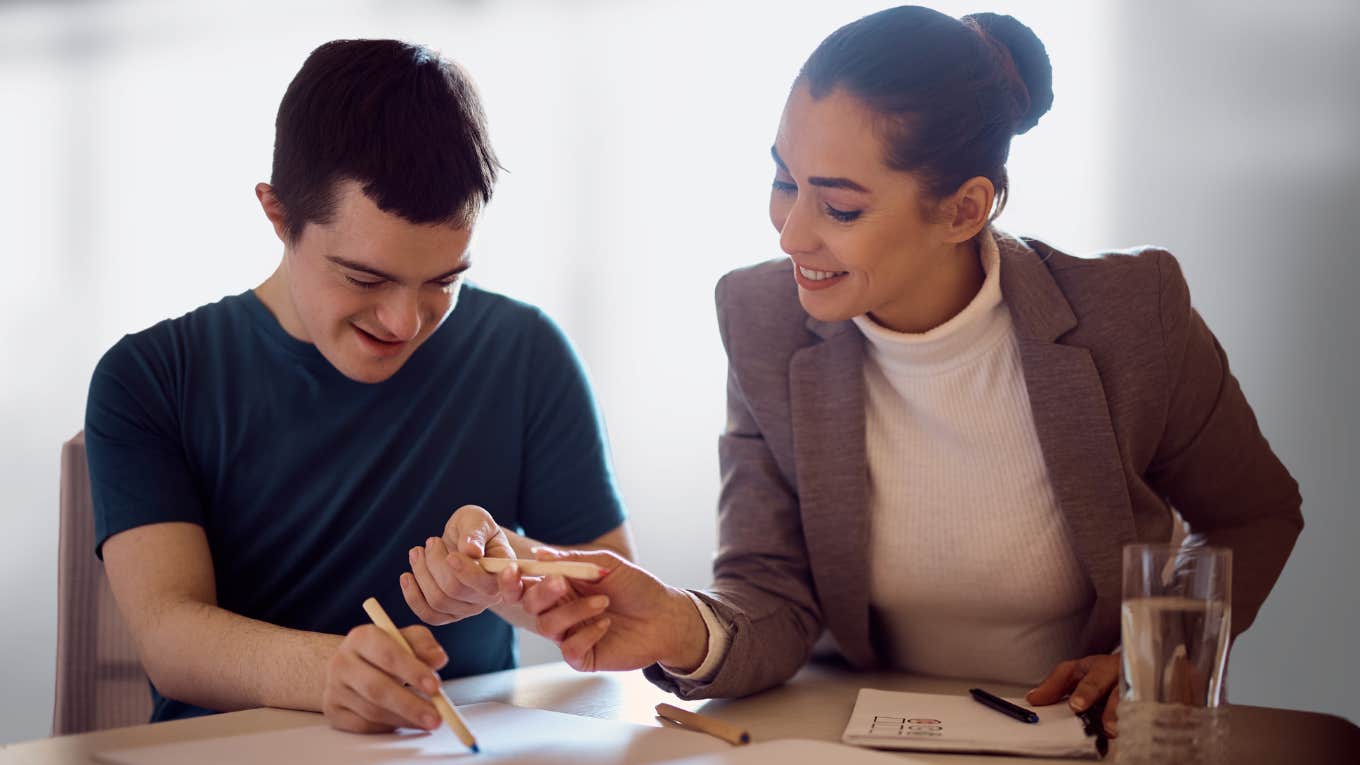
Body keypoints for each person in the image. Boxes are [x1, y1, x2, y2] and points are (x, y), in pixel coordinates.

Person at [516, 6, 1302, 737]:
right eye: (784, 180)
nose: (792, 233)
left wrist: (1155, 659)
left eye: (841, 208)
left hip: (1083, 738)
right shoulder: (760, 318)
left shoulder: (1132, 315)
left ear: (965, 209)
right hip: (857, 736)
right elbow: (772, 591)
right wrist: (684, 624)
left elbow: (1252, 512)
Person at [86, 39, 631, 734]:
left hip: (456, 746)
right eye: (365, 278)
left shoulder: (524, 352)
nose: (404, 322)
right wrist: (329, 671)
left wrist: (507, 576)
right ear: (278, 215)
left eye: (443, 281)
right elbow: (170, 637)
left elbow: (611, 603)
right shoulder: (153, 377)